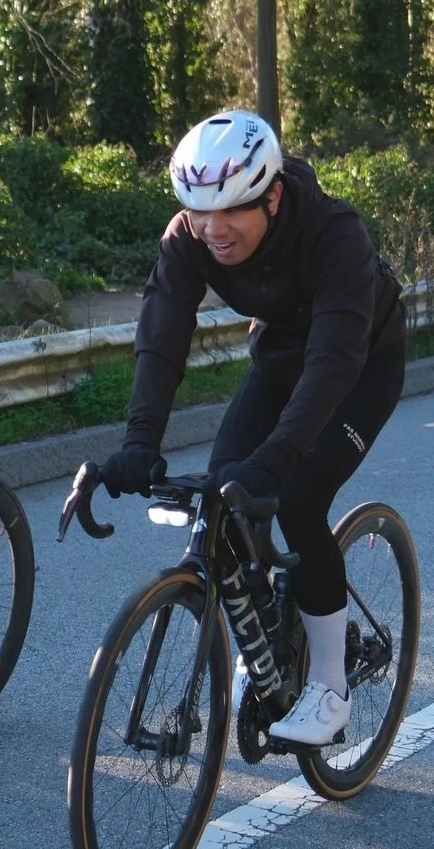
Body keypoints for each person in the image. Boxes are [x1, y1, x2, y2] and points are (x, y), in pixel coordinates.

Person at [97, 109, 406, 746]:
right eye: (198, 210)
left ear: (271, 196)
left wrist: (277, 460)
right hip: (280, 360)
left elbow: (332, 363)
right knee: (223, 495)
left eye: (231, 211)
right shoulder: (190, 235)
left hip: (359, 365)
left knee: (294, 497)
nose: (213, 230)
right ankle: (261, 641)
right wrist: (139, 441)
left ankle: (328, 684)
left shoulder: (333, 233)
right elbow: (162, 336)